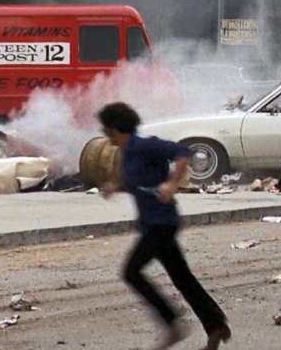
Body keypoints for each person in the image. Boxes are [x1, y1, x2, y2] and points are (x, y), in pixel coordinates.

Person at [98, 102, 231, 350]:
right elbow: (137, 182)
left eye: (106, 130)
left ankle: (173, 325)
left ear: (114, 128)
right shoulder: (127, 152)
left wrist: (172, 183)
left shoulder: (145, 145)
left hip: (162, 222)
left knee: (131, 272)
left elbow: (183, 152)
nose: (105, 135)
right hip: (152, 223)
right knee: (182, 277)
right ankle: (216, 326)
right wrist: (116, 187)